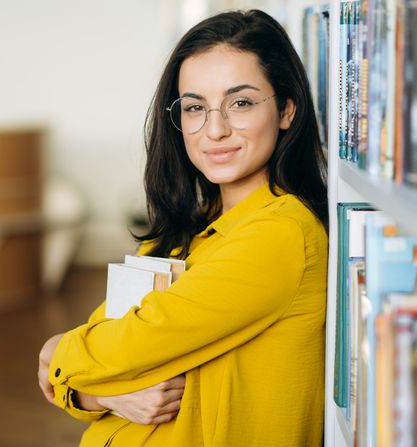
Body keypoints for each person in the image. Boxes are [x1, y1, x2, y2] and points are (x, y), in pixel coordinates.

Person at [37, 8, 328, 447]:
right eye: (195, 107)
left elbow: (111, 348)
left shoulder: (279, 234)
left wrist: (53, 353)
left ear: (287, 109)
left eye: (241, 102)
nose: (215, 129)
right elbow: (97, 354)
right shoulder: (188, 227)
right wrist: (101, 395)